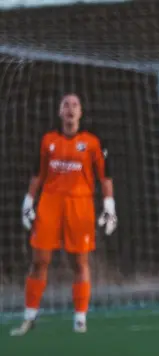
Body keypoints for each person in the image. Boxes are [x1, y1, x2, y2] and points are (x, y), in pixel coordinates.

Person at [11, 93, 117, 336]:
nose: (70, 109)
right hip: (50, 203)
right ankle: (29, 317)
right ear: (59, 111)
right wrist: (28, 201)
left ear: (81, 112)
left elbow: (105, 176)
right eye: (66, 104)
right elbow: (37, 173)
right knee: (39, 261)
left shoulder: (92, 141)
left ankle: (80, 319)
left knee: (80, 263)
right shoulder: (47, 140)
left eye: (75, 105)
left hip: (80, 206)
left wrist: (109, 206)